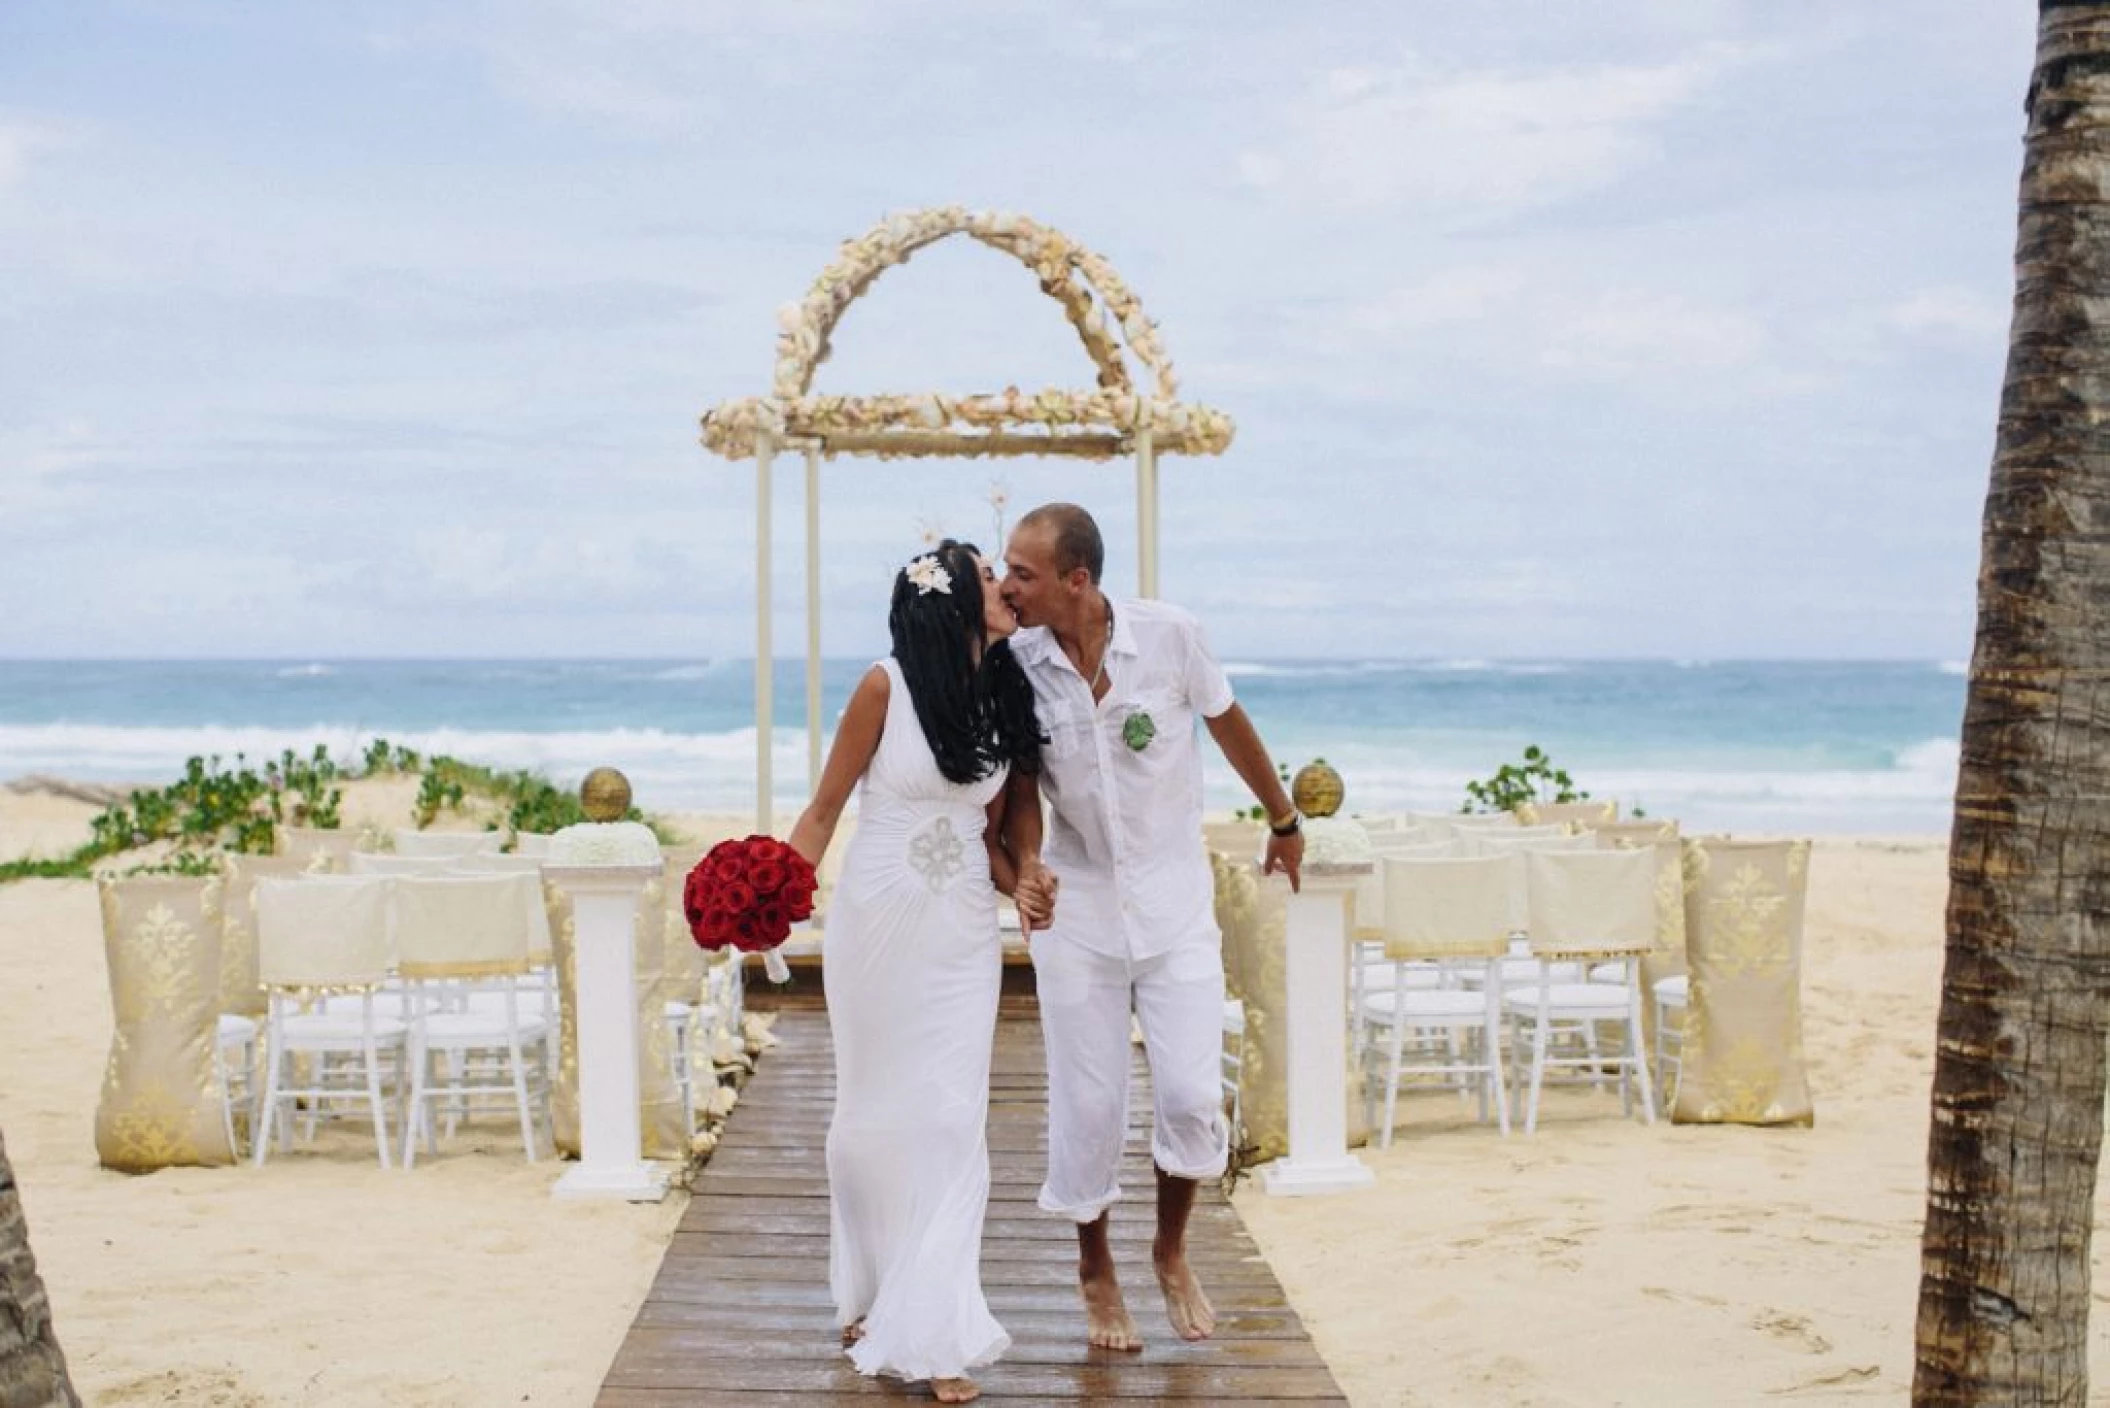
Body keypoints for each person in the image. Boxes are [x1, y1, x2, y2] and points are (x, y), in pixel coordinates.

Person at [999, 502, 1304, 1350]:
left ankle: (1170, 1250)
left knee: (1191, 1095)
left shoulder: (1172, 638)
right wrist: (1027, 868)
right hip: (1080, 912)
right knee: (1089, 1104)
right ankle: (1094, 1266)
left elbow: (1230, 724)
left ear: (1077, 579)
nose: (1006, 584)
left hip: (1174, 904)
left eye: (1022, 572)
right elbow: (1023, 790)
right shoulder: (1017, 663)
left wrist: (1283, 819)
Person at [788, 540, 1055, 1405]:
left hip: (960, 932)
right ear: (947, 599)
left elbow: (997, 838)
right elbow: (825, 809)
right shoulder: (883, 686)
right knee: (869, 1112)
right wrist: (773, 892)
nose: (1006, 589)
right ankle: (868, 1292)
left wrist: (1030, 888)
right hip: (874, 923)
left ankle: (935, 1327)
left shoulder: (1004, 687)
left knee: (948, 1114)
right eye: (989, 579)